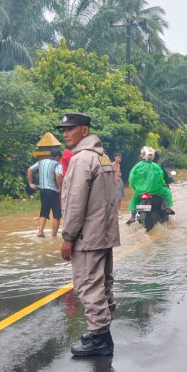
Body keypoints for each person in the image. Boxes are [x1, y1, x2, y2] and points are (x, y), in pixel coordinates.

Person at [59, 112, 120, 357]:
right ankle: (100, 331)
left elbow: (75, 202)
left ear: (84, 131)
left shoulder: (82, 159)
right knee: (103, 283)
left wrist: (68, 236)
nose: (66, 133)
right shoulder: (102, 156)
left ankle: (100, 338)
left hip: (88, 235)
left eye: (71, 129)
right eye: (64, 129)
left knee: (88, 284)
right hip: (104, 232)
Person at [125, 147, 174, 225]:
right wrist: (163, 184)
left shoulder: (137, 166)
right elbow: (161, 179)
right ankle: (168, 208)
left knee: (134, 200)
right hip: (156, 191)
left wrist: (132, 186)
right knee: (167, 192)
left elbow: (131, 178)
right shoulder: (157, 167)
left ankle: (132, 217)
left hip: (140, 191)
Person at [27, 147, 63, 237]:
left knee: (44, 211)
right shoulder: (57, 164)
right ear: (58, 157)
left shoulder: (41, 162)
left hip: (42, 191)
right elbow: (58, 175)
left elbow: (30, 169)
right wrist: (60, 188)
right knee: (57, 214)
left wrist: (31, 183)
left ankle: (40, 231)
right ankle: (54, 235)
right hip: (53, 191)